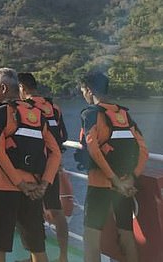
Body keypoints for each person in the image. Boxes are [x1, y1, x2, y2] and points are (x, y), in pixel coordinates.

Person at [0, 68, 61, 262]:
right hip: (34, 189)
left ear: (2, 88)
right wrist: (44, 185)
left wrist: (19, 183)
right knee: (37, 246)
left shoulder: (0, 113)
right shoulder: (38, 114)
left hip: (4, 189)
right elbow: (55, 153)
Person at [79, 72, 148, 262]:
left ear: (89, 90)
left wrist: (113, 180)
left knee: (91, 237)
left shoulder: (90, 113)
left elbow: (93, 149)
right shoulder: (124, 115)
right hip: (125, 185)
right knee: (126, 235)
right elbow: (143, 150)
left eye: (83, 91)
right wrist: (131, 178)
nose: (83, 94)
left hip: (100, 185)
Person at [18, 72, 69, 262]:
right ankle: (63, 256)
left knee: (31, 212)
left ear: (22, 88)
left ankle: (36, 256)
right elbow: (62, 135)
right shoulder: (53, 107)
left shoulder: (24, 107)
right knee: (56, 209)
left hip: (32, 166)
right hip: (52, 165)